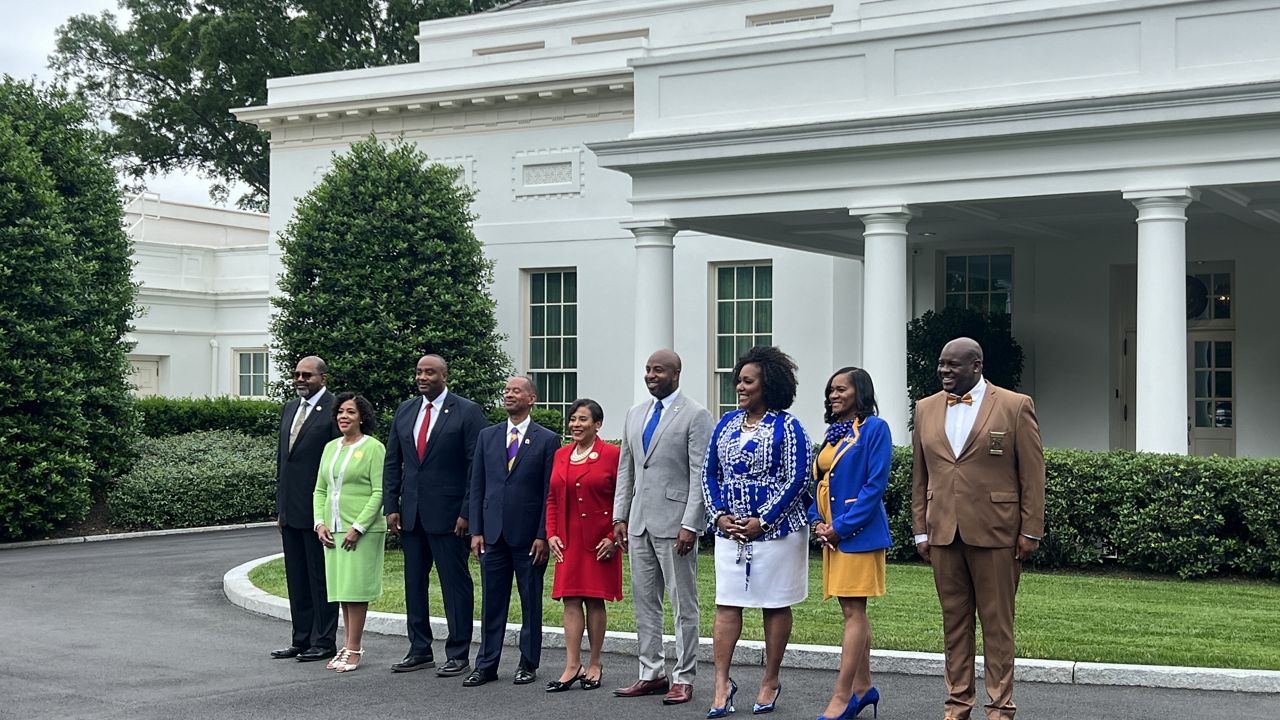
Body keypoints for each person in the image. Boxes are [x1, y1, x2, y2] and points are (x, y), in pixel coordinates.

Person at [912, 337, 1045, 720]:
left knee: (997, 625)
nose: (944, 371)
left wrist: (1030, 529)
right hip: (942, 533)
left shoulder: (1015, 406)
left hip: (997, 532)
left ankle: (1000, 707)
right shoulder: (925, 408)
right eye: (941, 364)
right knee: (954, 623)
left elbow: (1032, 475)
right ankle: (957, 704)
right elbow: (920, 475)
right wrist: (921, 529)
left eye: (953, 365)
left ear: (976, 365)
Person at [702, 346, 811, 719]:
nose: (740, 387)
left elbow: (798, 478)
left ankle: (771, 679)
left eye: (748, 381)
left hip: (777, 532)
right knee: (726, 603)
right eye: (739, 381)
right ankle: (721, 683)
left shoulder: (789, 426)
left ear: (769, 384)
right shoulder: (726, 424)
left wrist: (764, 519)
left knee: (775, 602)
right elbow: (709, 472)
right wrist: (718, 516)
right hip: (730, 530)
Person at [611, 349, 712, 707]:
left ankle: (684, 677)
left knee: (683, 602)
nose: (651, 375)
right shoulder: (635, 414)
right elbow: (627, 470)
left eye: (659, 370)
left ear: (676, 373)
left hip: (676, 525)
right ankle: (651, 673)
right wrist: (619, 517)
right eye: (648, 370)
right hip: (638, 523)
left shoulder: (696, 414)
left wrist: (691, 523)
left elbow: (701, 473)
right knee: (645, 603)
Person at [383, 354, 487, 676]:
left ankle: (458, 652)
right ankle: (419, 649)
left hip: (450, 516)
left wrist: (467, 511)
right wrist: (392, 506)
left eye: (430, 372)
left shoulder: (467, 411)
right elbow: (393, 460)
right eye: (418, 372)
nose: (422, 377)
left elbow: (476, 465)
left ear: (444, 376)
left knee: (454, 584)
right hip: (411, 513)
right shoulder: (406, 410)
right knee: (414, 582)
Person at [808, 367, 893, 720]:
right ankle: (864, 689)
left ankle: (842, 697)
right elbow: (817, 481)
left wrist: (839, 528)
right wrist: (816, 520)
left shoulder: (875, 429)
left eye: (841, 389)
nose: (833, 395)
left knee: (854, 611)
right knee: (851, 611)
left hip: (856, 533)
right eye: (830, 390)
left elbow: (875, 487)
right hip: (831, 532)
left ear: (860, 392)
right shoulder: (834, 434)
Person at [464, 376, 558, 688]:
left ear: (532, 398)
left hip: (529, 536)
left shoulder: (546, 439)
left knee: (530, 601)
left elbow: (549, 491)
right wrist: (476, 530)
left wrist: (543, 533)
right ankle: (486, 664)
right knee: (491, 601)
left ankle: (528, 663)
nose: (508, 394)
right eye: (505, 390)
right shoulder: (487, 437)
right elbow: (477, 485)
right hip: (492, 534)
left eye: (516, 390)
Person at [545, 398, 622, 693]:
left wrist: (614, 538)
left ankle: (594, 663)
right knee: (570, 599)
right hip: (568, 538)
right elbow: (552, 497)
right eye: (573, 419)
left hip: (599, 539)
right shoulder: (561, 455)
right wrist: (551, 533)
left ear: (597, 424)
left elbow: (623, 497)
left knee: (594, 599)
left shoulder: (611, 455)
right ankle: (572, 665)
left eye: (583, 420)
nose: (576, 425)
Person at [271, 355, 341, 662]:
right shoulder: (289, 409)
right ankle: (300, 639)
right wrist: (280, 509)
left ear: (323, 379)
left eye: (307, 375)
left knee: (319, 579)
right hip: (290, 512)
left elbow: (337, 465)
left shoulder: (334, 411)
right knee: (297, 579)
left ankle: (324, 641)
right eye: (297, 374)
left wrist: (325, 514)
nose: (300, 379)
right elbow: (282, 463)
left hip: (317, 512)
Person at [313, 393, 386, 673]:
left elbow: (379, 491)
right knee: (343, 591)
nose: (344, 417)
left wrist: (358, 527)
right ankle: (347, 645)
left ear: (362, 417)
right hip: (332, 531)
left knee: (356, 591)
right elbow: (320, 489)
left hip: (360, 531)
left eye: (351, 412)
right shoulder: (331, 447)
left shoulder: (373, 448)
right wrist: (320, 522)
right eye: (341, 412)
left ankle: (354, 648)